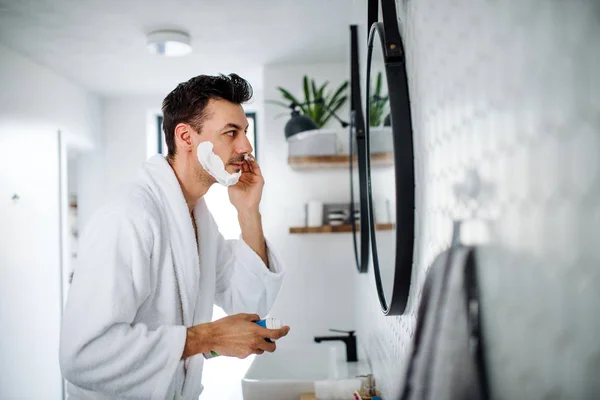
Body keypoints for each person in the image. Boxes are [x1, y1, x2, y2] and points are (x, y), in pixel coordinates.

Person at [59, 74, 289, 400]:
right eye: (231, 133)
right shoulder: (129, 215)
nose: (246, 147)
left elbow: (249, 303)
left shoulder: (197, 217)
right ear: (185, 136)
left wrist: (248, 212)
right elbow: (82, 355)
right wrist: (206, 337)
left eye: (245, 133)